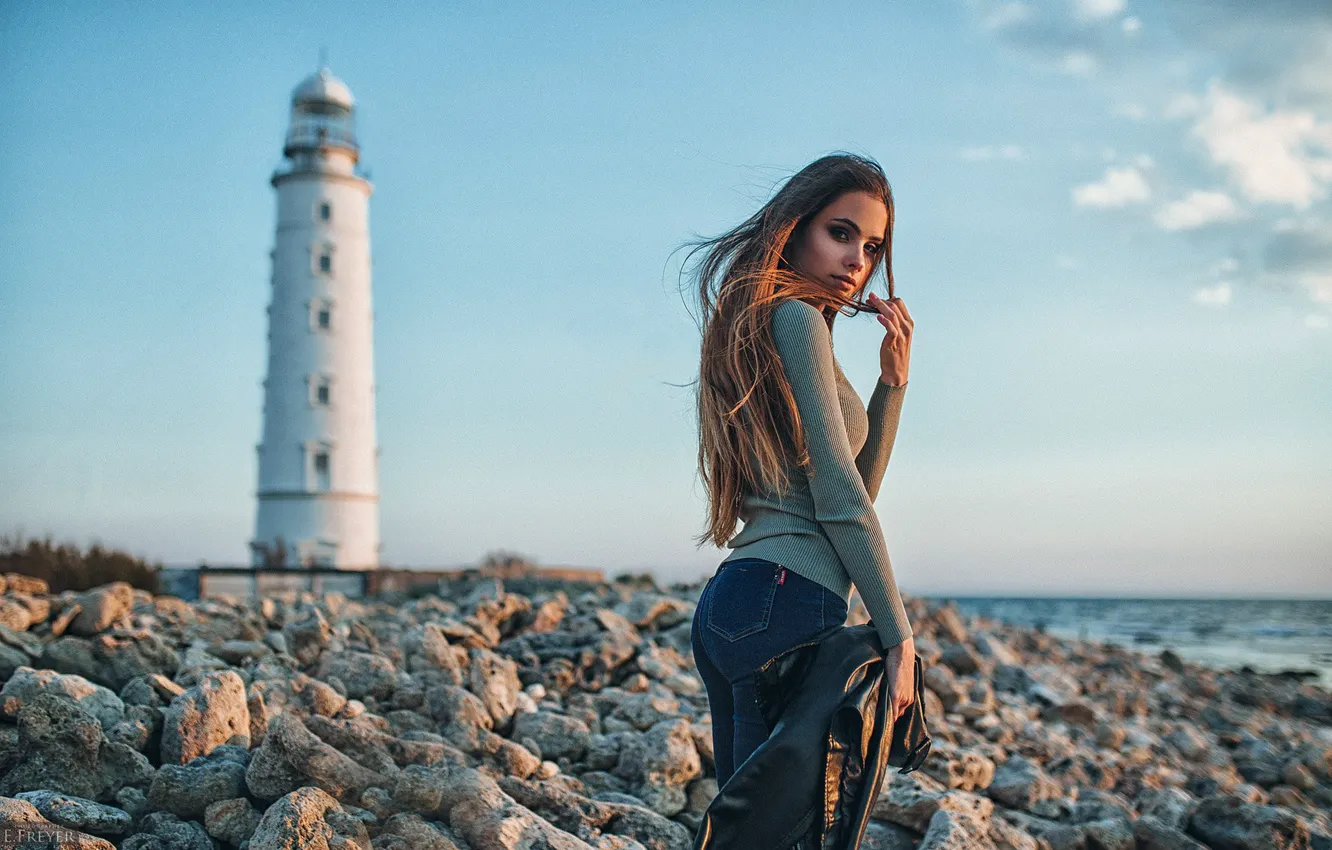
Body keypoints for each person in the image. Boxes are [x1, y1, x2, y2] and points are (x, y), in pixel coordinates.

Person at [685, 152, 917, 788]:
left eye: (872, 247)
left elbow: (843, 489)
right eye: (840, 233)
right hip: (785, 603)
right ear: (793, 229)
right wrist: (897, 635)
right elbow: (842, 500)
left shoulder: (762, 324)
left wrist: (890, 387)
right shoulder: (796, 318)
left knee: (742, 823)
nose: (857, 262)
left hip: (737, 601)